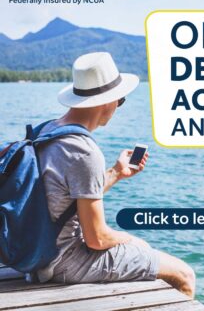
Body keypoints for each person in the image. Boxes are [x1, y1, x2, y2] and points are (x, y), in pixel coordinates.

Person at [35, 52, 195, 298]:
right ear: (106, 102)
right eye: (120, 101)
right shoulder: (84, 151)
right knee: (183, 274)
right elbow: (96, 239)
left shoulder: (47, 132)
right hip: (65, 261)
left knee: (144, 254)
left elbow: (67, 199)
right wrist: (131, 240)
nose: (118, 107)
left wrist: (116, 173)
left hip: (37, 253)